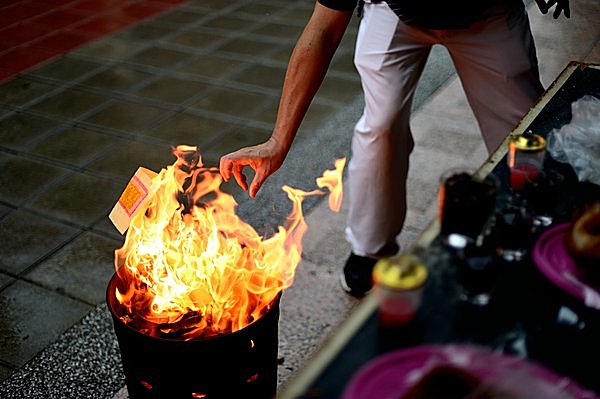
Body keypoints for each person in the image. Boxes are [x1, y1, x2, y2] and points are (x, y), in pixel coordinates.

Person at [219, 0, 570, 297]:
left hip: (487, 11)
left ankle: (538, 236)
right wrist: (278, 140)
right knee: (380, 126)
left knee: (522, 132)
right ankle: (369, 250)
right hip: (395, 13)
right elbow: (323, 30)